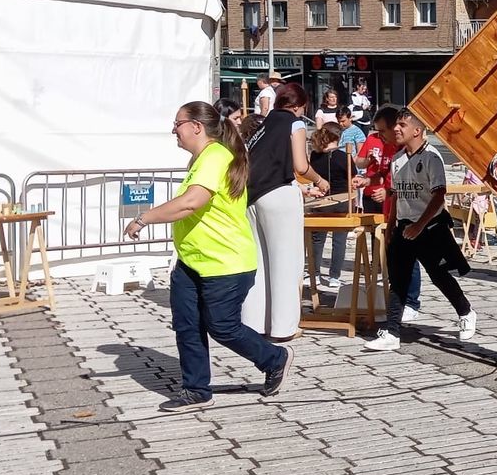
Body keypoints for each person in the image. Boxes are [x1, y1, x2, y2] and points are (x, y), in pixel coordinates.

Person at [124, 101, 293, 413]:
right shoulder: (201, 159)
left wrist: (143, 218)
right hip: (192, 261)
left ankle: (275, 358)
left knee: (222, 326)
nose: (173, 129)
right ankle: (196, 390)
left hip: (225, 263)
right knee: (187, 325)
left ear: (196, 127)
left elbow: (191, 203)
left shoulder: (216, 156)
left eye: (178, 123)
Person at [365, 110, 477, 353]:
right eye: (396, 125)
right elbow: (395, 195)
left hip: (430, 227)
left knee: (439, 275)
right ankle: (392, 332)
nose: (397, 130)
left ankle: (466, 311)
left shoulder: (431, 157)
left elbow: (438, 196)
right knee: (398, 280)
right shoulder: (397, 159)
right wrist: (392, 223)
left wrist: (420, 225)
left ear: (417, 130)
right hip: (404, 226)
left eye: (402, 125)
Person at [243, 81, 327, 340]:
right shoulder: (295, 123)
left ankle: (254, 323)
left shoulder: (262, 125)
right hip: (280, 196)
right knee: (287, 263)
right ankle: (284, 328)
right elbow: (301, 165)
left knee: (260, 264)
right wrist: (319, 180)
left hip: (253, 197)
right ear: (300, 105)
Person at [354, 105, 421, 318]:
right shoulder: (387, 148)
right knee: (395, 257)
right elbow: (383, 175)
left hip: (407, 212)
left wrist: (388, 193)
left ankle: (411, 302)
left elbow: (412, 186)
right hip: (390, 213)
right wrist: (367, 180)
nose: (379, 136)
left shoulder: (409, 151)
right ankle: (398, 300)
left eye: (383, 131)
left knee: (409, 257)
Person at [307, 124, 353, 292]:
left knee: (317, 240)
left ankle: (315, 274)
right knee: (339, 241)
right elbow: (352, 175)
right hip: (341, 200)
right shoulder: (343, 156)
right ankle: (334, 276)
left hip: (321, 199)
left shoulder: (315, 155)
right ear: (338, 138)